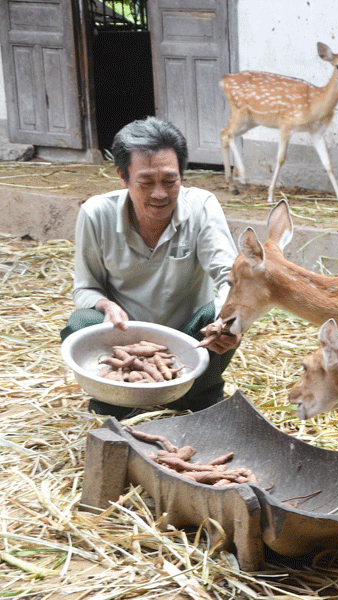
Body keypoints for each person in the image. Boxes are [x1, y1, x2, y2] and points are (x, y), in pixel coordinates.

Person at [61, 116, 241, 418]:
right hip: (123, 338)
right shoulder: (96, 214)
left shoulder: (202, 207)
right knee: (80, 323)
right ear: (122, 176)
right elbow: (85, 288)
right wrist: (104, 304)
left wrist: (227, 319)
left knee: (224, 314)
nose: (160, 193)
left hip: (188, 339)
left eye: (170, 181)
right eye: (146, 182)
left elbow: (231, 278)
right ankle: (114, 400)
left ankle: (198, 396)